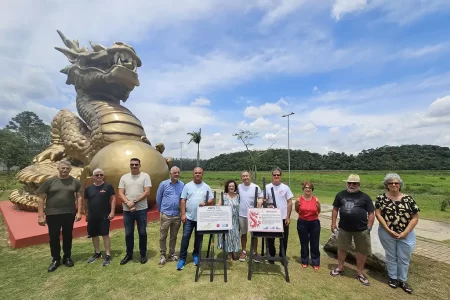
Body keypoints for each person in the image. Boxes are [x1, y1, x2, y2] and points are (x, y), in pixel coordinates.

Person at [375, 173, 420, 294]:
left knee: (404, 257)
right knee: (391, 256)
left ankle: (403, 280)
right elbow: (378, 214)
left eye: (396, 183)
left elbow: (415, 217)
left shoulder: (409, 199)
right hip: (386, 232)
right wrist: (388, 230)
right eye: (391, 183)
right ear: (387, 185)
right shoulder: (381, 198)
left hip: (407, 233)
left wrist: (406, 232)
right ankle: (393, 278)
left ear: (400, 185)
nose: (394, 185)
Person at [37, 160, 82, 272]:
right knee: (53, 237)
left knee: (68, 236)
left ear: (70, 170)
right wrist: (40, 216)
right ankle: (56, 259)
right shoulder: (50, 181)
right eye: (62, 168)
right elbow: (41, 198)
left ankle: (67, 257)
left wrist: (79, 212)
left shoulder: (75, 182)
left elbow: (79, 197)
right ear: (58, 168)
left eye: (67, 168)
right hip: (53, 214)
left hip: (69, 213)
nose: (65, 170)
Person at [330, 174, 375, 286]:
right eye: (349, 183)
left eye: (354, 183)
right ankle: (340, 267)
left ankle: (360, 272)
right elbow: (335, 209)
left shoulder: (365, 197)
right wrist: (333, 222)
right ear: (347, 183)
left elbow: (371, 213)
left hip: (361, 229)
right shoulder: (340, 194)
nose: (351, 185)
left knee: (361, 251)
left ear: (358, 184)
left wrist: (369, 226)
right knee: (342, 248)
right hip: (344, 228)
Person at [176, 167, 214, 270]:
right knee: (185, 238)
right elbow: (183, 200)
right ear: (193, 174)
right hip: (189, 218)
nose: (198, 174)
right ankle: (182, 259)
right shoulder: (187, 186)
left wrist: (206, 203)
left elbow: (212, 199)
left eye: (199, 173)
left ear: (202, 174)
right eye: (196, 173)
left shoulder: (206, 186)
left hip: (201, 219)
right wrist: (183, 214)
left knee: (199, 239)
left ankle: (196, 255)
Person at [118, 158, 151, 265]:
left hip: (141, 209)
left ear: (139, 165)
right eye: (132, 164)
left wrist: (134, 202)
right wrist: (128, 203)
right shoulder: (124, 177)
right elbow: (120, 193)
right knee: (128, 233)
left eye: (136, 164)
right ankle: (129, 254)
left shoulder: (145, 176)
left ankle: (143, 254)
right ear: (130, 165)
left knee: (142, 232)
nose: (134, 166)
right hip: (127, 210)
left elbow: (147, 192)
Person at [84, 168, 116, 266]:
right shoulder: (88, 188)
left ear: (103, 176)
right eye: (97, 175)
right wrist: (86, 213)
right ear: (93, 177)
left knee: (105, 234)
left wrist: (112, 211)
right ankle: (97, 253)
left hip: (104, 215)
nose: (99, 177)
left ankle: (107, 254)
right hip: (92, 215)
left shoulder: (108, 186)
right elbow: (86, 201)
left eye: (101, 175)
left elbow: (113, 198)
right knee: (94, 235)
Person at [264, 167, 294, 264]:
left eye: (278, 175)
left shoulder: (285, 188)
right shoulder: (267, 187)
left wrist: (288, 216)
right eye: (274, 175)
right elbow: (265, 200)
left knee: (284, 237)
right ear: (272, 176)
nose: (276, 176)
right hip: (271, 217)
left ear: (281, 176)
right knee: (270, 237)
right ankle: (272, 255)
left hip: (283, 217)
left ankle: (282, 256)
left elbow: (289, 202)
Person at [156, 166, 184, 265]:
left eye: (178, 172)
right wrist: (161, 210)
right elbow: (158, 198)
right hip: (166, 214)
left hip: (177, 215)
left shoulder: (182, 184)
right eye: (174, 173)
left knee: (174, 236)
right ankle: (163, 254)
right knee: (163, 235)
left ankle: (172, 254)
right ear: (170, 174)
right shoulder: (163, 184)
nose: (176, 174)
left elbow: (182, 199)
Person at [237, 171, 263, 262]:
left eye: (246, 176)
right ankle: (243, 251)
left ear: (250, 176)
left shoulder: (256, 187)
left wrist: (260, 201)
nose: (245, 177)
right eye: (243, 176)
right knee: (243, 234)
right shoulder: (239, 187)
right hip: (242, 214)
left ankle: (255, 252)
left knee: (254, 235)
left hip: (253, 215)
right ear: (241, 178)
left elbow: (261, 197)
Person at [295, 181, 321, 270]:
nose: (307, 189)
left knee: (315, 243)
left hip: (314, 223)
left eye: (309, 188)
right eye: (306, 188)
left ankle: (315, 262)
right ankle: (304, 261)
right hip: (302, 223)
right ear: (303, 189)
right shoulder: (299, 199)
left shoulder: (316, 200)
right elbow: (297, 210)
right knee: (304, 243)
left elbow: (319, 210)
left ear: (312, 189)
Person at [217, 180, 241, 262]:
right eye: (230, 186)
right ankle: (229, 254)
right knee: (228, 236)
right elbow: (218, 205)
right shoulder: (223, 196)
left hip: (235, 220)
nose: (231, 187)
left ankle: (234, 251)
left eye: (233, 186)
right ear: (227, 187)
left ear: (235, 187)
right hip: (226, 220)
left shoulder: (238, 196)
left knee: (235, 236)